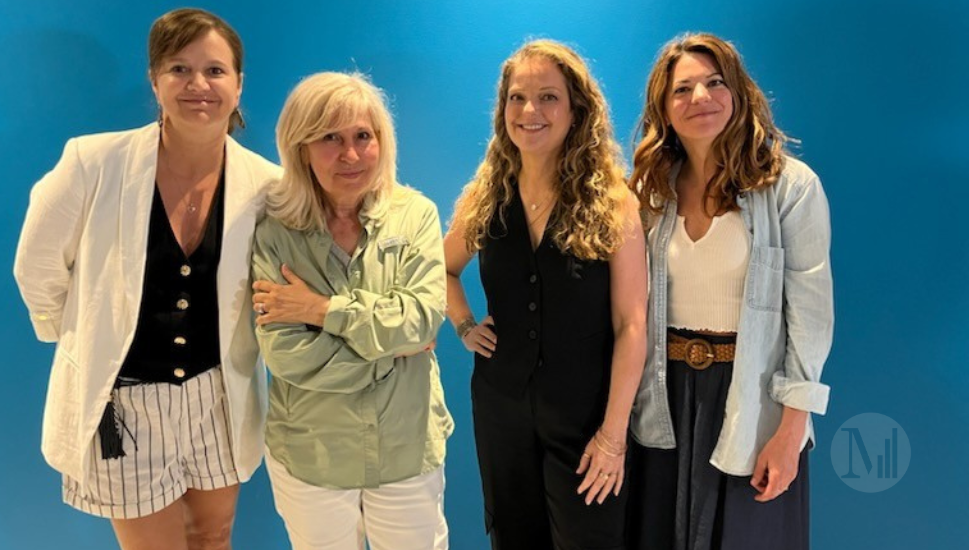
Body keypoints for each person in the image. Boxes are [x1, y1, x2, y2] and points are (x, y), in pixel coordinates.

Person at [13, 9, 279, 550]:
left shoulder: (265, 183)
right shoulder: (94, 161)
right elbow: (36, 266)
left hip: (218, 395)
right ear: (154, 80)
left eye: (215, 70)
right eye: (179, 69)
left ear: (238, 84)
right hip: (126, 401)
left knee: (214, 534)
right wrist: (79, 336)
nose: (198, 85)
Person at [625, 33, 833, 550]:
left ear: (738, 93)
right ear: (663, 109)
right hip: (664, 400)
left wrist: (789, 434)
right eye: (683, 89)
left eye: (715, 82)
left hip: (754, 400)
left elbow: (811, 315)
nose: (701, 98)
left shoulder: (791, 187)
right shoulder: (649, 193)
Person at [443, 40, 647, 550]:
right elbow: (441, 270)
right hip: (501, 414)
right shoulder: (485, 197)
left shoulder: (614, 202)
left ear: (577, 110)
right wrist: (464, 324)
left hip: (587, 426)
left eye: (548, 97)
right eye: (517, 98)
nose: (530, 111)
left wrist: (613, 436)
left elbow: (632, 325)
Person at [250, 71, 453, 550]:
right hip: (312, 454)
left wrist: (323, 311)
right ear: (301, 147)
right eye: (330, 138)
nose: (351, 154)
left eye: (364, 136)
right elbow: (286, 354)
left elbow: (422, 320)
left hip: (406, 449)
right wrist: (392, 354)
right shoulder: (276, 232)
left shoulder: (415, 214)